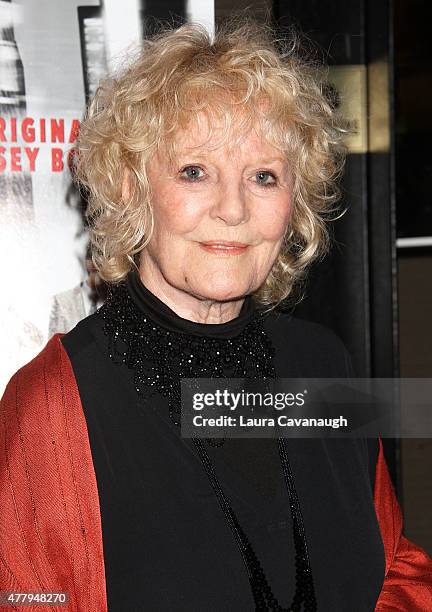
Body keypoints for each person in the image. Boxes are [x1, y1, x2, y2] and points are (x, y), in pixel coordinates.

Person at [1, 20, 431, 612]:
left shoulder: (324, 363)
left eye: (264, 176)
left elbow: (394, 571)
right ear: (131, 188)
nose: (233, 209)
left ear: (295, 202)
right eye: (194, 171)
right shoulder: (54, 405)